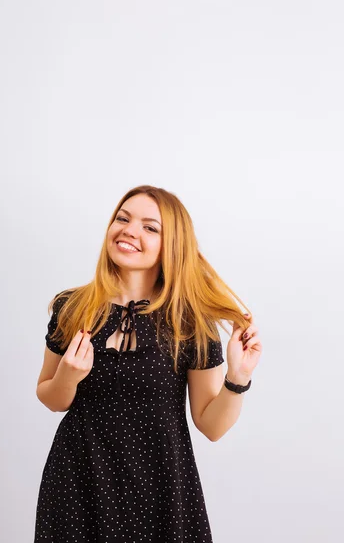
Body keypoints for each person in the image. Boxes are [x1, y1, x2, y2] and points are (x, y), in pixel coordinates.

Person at [34, 184, 262, 542]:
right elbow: (50, 397)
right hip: (77, 484)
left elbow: (211, 426)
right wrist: (68, 376)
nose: (129, 230)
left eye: (149, 227)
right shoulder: (73, 306)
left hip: (161, 489)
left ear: (172, 245)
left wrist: (238, 377)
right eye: (122, 218)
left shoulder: (190, 324)